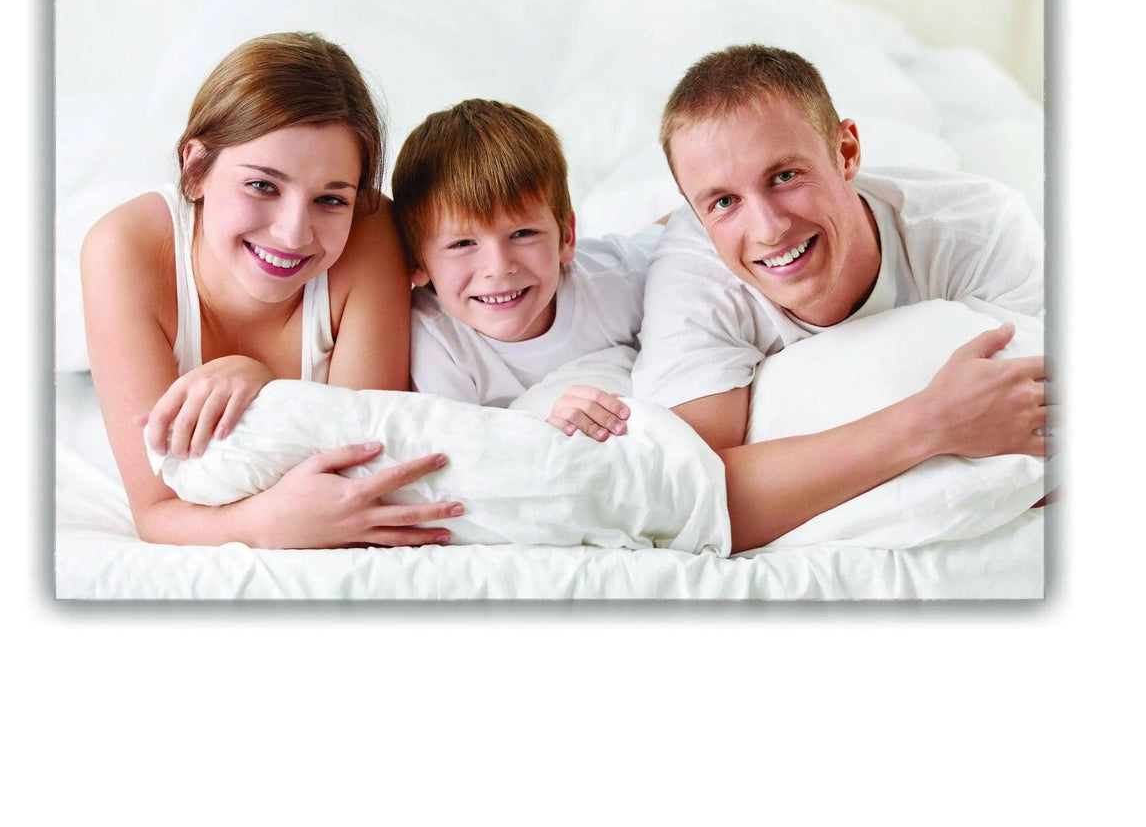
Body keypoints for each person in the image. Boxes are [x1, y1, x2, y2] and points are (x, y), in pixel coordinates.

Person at [630, 43, 1048, 552]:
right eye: (724, 201)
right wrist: (931, 422)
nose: (768, 229)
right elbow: (687, 503)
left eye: (785, 176)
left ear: (846, 151)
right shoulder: (694, 280)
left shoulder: (979, 231)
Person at [81, 32, 464, 549]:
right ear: (195, 169)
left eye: (331, 199)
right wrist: (264, 524)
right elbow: (158, 511)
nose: (293, 233)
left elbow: (359, 464)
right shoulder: (124, 250)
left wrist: (259, 385)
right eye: (263, 185)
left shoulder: (372, 233)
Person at [390, 99, 657, 441]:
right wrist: (542, 428)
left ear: (567, 235)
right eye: (462, 244)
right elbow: (462, 456)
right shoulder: (435, 340)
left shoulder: (616, 282)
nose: (498, 268)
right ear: (416, 262)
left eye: (523, 233)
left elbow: (677, 241)